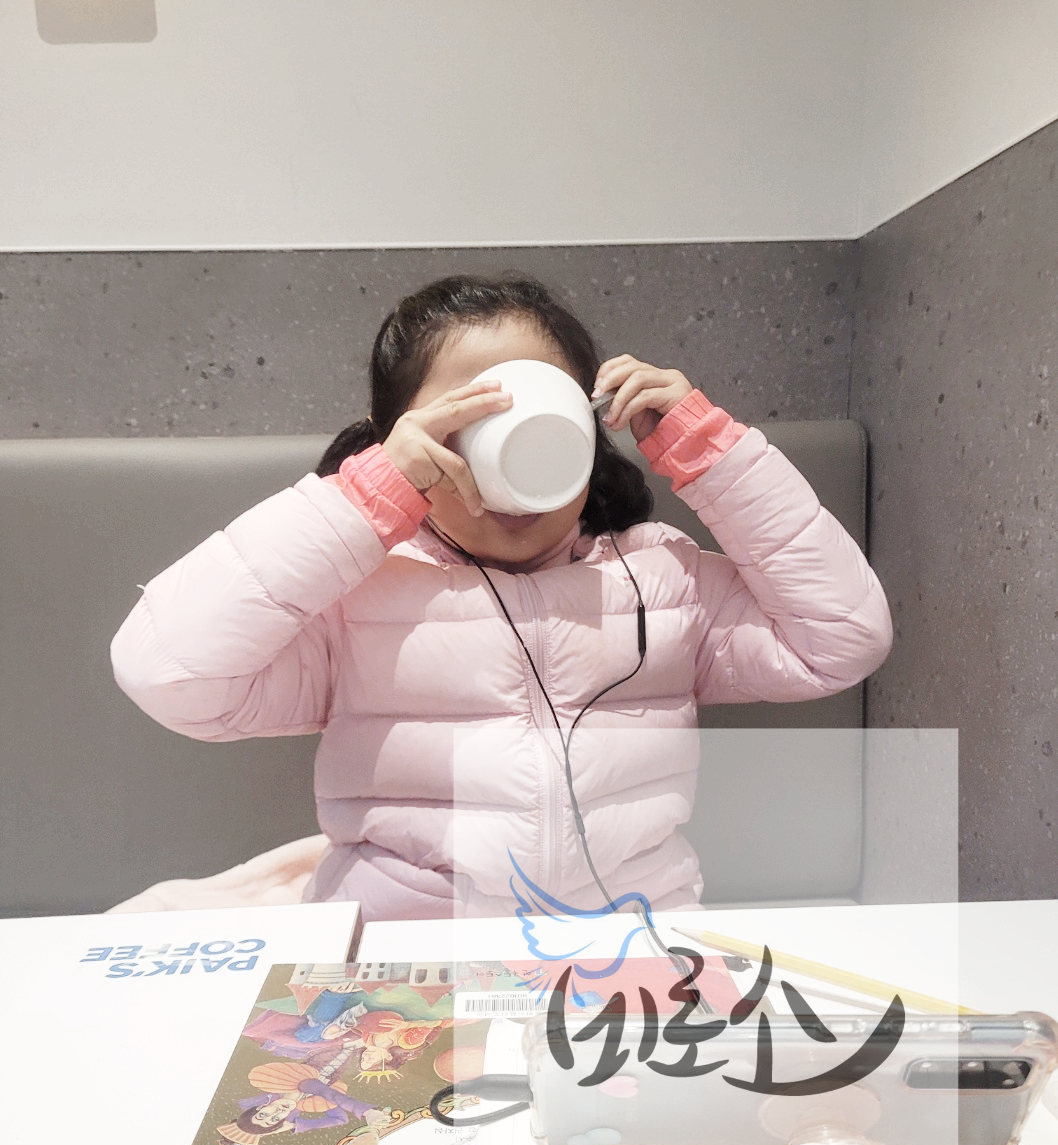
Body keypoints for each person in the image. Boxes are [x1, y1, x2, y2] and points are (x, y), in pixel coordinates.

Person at [111, 273, 892, 921]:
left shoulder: (660, 580)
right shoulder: (357, 596)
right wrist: (368, 496)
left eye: (541, 421)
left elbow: (842, 639)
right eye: (466, 425)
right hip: (405, 961)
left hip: (622, 954)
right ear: (399, 437)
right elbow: (168, 673)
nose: (509, 462)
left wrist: (708, 450)